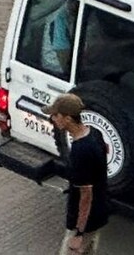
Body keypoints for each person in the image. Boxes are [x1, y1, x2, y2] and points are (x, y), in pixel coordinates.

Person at [44, 94, 109, 255]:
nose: (52, 118)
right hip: (99, 212)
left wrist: (79, 233)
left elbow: (85, 196)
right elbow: (105, 150)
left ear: (68, 118)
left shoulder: (80, 151)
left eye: (56, 115)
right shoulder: (94, 133)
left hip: (86, 222)